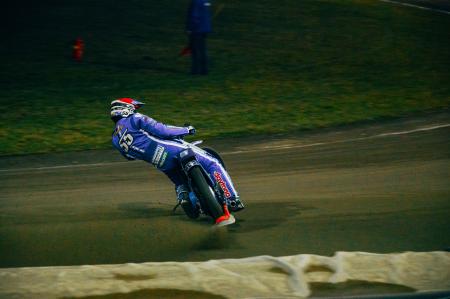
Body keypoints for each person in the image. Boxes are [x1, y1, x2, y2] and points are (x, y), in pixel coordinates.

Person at [110, 98, 244, 225]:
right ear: (125, 108)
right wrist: (186, 130)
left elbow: (129, 157)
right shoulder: (134, 118)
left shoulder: (115, 139)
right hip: (170, 150)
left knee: (179, 182)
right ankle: (232, 199)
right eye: (133, 107)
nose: (135, 110)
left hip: (160, 163)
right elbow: (161, 130)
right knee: (212, 163)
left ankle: (185, 198)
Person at [186, 0, 212, 75]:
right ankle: (204, 70)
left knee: (195, 51)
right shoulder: (205, 1)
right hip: (205, 29)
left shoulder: (195, 2)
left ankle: (195, 71)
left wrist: (190, 29)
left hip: (197, 30)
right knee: (203, 50)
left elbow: (194, 16)